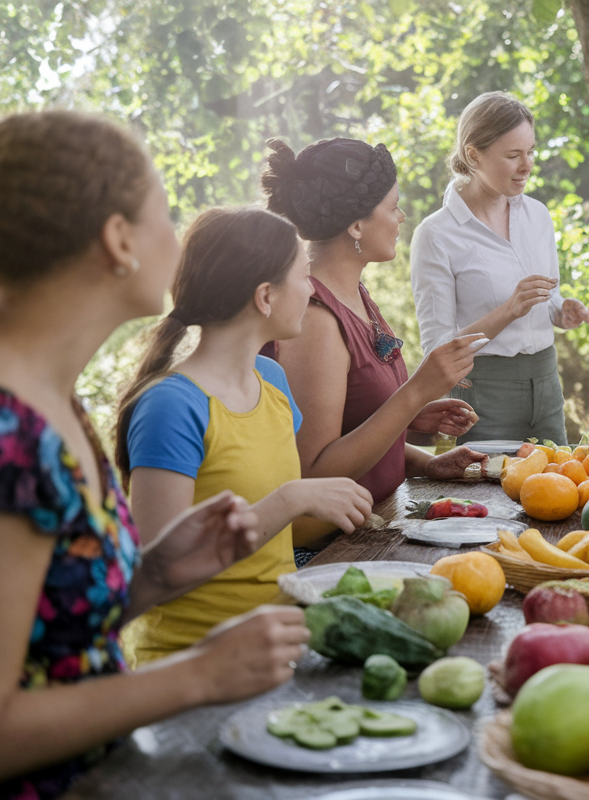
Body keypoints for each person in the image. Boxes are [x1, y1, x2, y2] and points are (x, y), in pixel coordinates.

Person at [0, 111, 307, 800]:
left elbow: (51, 642)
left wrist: (156, 574)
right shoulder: (10, 433)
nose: (179, 240)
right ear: (118, 240)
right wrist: (198, 675)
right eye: (165, 214)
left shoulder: (54, 402)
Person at [112, 207, 375, 665]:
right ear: (265, 296)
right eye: (304, 276)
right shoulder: (172, 406)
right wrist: (290, 499)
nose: (312, 289)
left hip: (276, 650)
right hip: (189, 667)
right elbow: (160, 570)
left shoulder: (271, 379)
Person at [261, 136, 485, 546]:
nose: (401, 217)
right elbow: (313, 474)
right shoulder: (315, 319)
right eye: (392, 206)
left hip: (374, 525)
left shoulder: (356, 294)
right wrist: (415, 393)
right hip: (326, 553)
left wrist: (425, 463)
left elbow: (354, 424)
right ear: (357, 225)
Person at [410, 91, 589, 445]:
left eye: (531, 151)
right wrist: (508, 310)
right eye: (513, 155)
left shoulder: (538, 216)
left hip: (546, 384)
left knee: (558, 493)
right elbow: (438, 350)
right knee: (490, 498)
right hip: (483, 395)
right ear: (473, 155)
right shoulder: (436, 234)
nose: (527, 166)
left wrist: (560, 309)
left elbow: (548, 296)